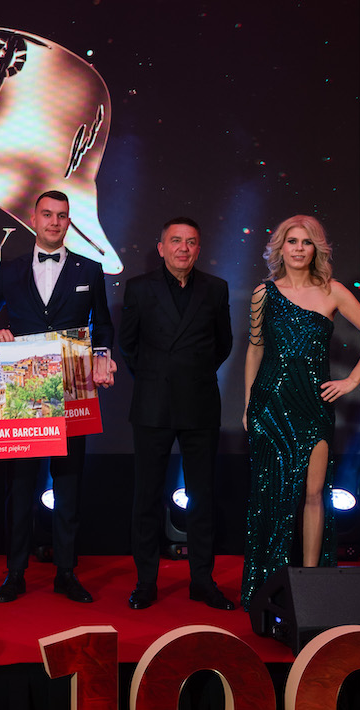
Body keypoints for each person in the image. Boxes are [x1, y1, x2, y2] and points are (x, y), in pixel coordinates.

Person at [241, 215, 360, 609]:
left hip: (313, 407)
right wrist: (247, 406)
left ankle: (311, 587)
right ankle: (269, 588)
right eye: (292, 241)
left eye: (306, 242)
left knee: (312, 494)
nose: (298, 249)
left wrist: (352, 381)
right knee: (271, 497)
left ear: (316, 249)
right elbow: (255, 350)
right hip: (269, 405)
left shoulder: (333, 291)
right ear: (280, 247)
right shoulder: (263, 293)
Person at [0, 190, 116, 604]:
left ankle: (66, 572)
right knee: (19, 486)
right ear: (34, 219)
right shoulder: (10, 270)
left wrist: (103, 356)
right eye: (48, 215)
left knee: (69, 485)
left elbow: (104, 325)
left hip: (74, 388)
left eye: (62, 216)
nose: (55, 222)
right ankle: (15, 573)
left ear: (69, 222)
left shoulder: (90, 269)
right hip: (23, 391)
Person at [119, 217, 234, 611]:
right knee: (146, 497)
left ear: (199, 249)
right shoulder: (139, 288)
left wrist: (191, 373)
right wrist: (157, 376)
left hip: (200, 403)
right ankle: (145, 582)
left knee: (202, 497)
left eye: (191, 242)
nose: (183, 248)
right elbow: (128, 346)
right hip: (152, 404)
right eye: (176, 241)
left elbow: (223, 344)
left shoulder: (216, 288)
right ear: (161, 247)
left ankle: (202, 580)